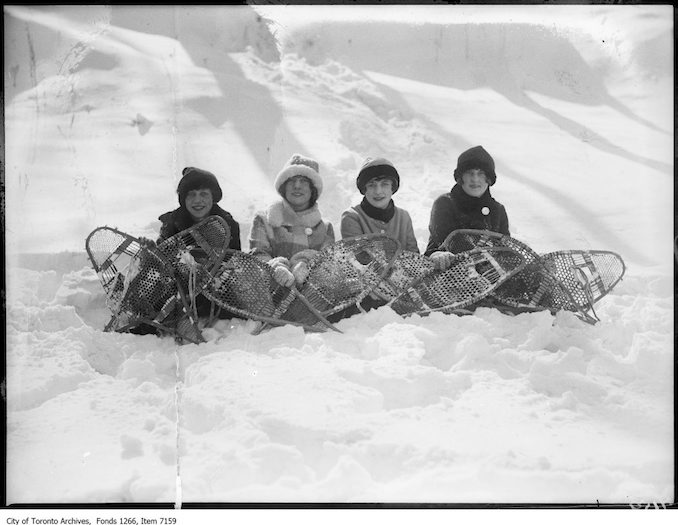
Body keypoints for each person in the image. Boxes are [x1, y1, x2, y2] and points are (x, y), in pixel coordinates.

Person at [249, 153, 335, 287]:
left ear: (313, 189)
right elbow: (257, 256)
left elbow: (328, 266)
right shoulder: (264, 220)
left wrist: (307, 262)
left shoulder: (325, 228)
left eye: (304, 181)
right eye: (291, 180)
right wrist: (275, 268)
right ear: (284, 186)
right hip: (269, 296)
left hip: (310, 302)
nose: (297, 186)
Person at [425, 145, 509, 270]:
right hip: (446, 273)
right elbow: (444, 243)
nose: (475, 179)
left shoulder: (498, 210)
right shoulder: (445, 203)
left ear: (489, 178)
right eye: (470, 173)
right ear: (461, 177)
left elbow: (505, 249)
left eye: (481, 174)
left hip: (491, 276)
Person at [340, 157, 419, 253]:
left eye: (384, 184)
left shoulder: (403, 217)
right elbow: (359, 259)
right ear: (364, 189)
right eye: (371, 185)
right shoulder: (352, 217)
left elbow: (415, 258)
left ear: (392, 188)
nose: (378, 191)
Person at [157, 166, 241, 249]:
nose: (197, 200)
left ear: (213, 197)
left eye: (203, 194)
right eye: (191, 194)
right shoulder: (171, 224)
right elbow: (160, 258)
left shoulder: (228, 224)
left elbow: (235, 259)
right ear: (184, 199)